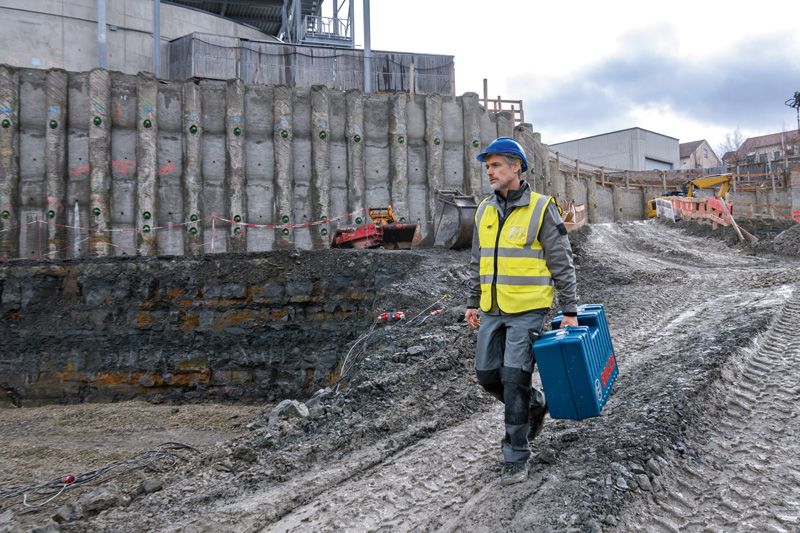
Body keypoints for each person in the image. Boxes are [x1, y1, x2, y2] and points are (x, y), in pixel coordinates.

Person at [464, 137, 579, 485]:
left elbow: (562, 262)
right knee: (487, 375)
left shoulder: (542, 208)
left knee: (514, 378)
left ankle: (516, 454)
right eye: (487, 166)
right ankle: (533, 405)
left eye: (496, 165)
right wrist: (472, 301)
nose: (490, 171)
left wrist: (570, 309)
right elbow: (477, 260)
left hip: (528, 309)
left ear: (517, 167)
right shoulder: (484, 209)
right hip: (492, 308)